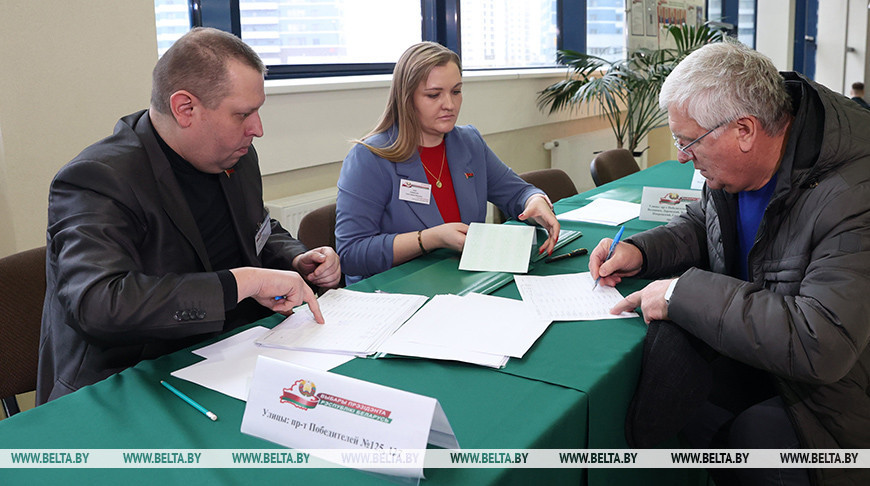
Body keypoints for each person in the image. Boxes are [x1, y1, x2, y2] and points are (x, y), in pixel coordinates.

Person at [590, 41, 870, 485]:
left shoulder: (855, 193)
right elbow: (706, 223)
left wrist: (680, 292)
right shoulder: (742, 165)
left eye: (688, 141)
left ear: (744, 130)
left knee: (749, 439)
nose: (682, 156)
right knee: (671, 395)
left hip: (838, 395)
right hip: (763, 352)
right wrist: (642, 251)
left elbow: (822, 343)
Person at [37, 27, 341, 405]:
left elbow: (256, 228)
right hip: (132, 380)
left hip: (231, 353)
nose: (257, 129)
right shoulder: (97, 179)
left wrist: (295, 258)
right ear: (185, 108)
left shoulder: (236, 156)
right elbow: (100, 304)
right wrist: (243, 282)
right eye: (243, 114)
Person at [336, 42, 560, 284]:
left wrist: (535, 200)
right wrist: (428, 239)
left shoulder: (469, 142)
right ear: (406, 99)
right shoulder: (369, 157)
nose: (450, 105)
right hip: (394, 292)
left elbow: (518, 192)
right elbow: (351, 254)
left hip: (462, 282)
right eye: (434, 95)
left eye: (456, 91)